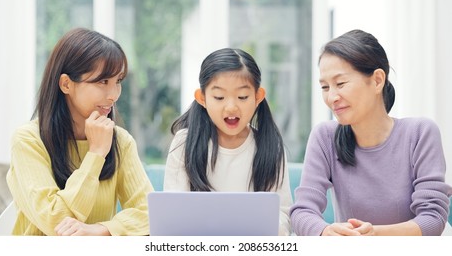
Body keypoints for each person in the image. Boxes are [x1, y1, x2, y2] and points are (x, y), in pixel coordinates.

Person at [290, 29, 452, 236]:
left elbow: (433, 218)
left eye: (340, 84)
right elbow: (303, 211)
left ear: (377, 80)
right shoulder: (325, 136)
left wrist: (375, 235)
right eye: (324, 87)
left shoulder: (419, 133)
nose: (332, 97)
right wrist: (325, 232)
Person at [6, 28, 154, 236]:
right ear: (66, 84)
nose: (113, 95)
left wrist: (100, 230)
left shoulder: (120, 141)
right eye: (103, 82)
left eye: (118, 81)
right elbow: (56, 223)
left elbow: (149, 213)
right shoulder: (28, 141)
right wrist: (95, 155)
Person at [164, 48, 292, 235]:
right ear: (202, 98)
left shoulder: (270, 146)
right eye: (219, 97)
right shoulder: (184, 143)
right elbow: (173, 212)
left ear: (258, 97)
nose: (231, 107)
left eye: (242, 97)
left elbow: (283, 214)